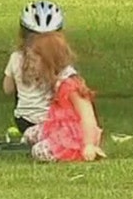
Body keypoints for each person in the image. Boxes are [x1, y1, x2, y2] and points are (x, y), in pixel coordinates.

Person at [20, 32, 104, 162]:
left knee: (38, 151)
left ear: (48, 60)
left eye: (34, 60)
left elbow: (87, 116)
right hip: (58, 128)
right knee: (29, 135)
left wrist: (89, 144)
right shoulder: (56, 81)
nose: (32, 65)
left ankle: (78, 152)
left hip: (74, 136)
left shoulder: (70, 84)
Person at [2, 0, 68, 134]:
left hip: (24, 121)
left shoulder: (16, 57)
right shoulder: (60, 61)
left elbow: (7, 89)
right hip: (54, 120)